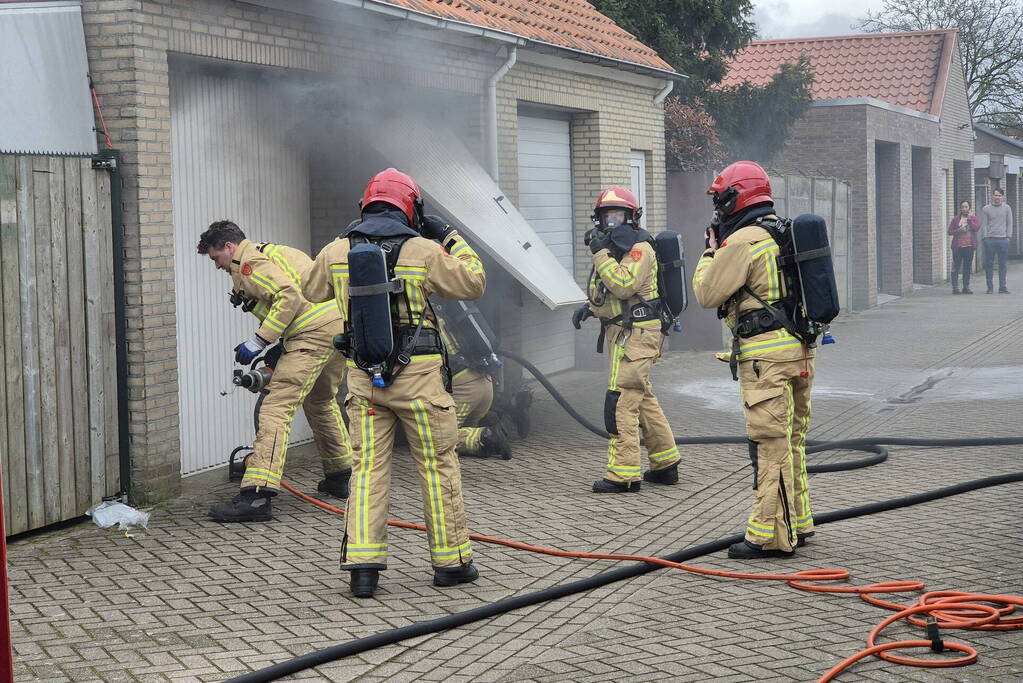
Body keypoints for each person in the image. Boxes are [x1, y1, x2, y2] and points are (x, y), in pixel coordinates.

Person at [305, 168, 485, 598]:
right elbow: (474, 281)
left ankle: (363, 569)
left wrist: (341, 244)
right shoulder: (424, 249)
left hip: (364, 380)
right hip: (420, 378)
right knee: (437, 467)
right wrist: (449, 234)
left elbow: (312, 292)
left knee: (367, 470)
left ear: (364, 206)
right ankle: (451, 564)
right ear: (411, 208)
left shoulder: (335, 251)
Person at [691, 161, 814, 559]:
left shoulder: (743, 240)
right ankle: (800, 521)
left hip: (764, 359)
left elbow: (707, 294)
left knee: (768, 445)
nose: (718, 208)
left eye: (720, 199)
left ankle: (770, 538)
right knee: (792, 441)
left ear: (736, 197)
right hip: (799, 351)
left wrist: (709, 253)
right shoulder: (781, 231)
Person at [198, 221, 352, 523]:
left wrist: (259, 340)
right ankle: (341, 474)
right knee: (319, 401)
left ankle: (257, 495)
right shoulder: (272, 252)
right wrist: (279, 345)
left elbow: (289, 297)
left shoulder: (250, 261)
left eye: (216, 258)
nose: (217, 266)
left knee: (276, 407)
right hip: (335, 326)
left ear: (229, 247)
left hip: (313, 331)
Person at [571, 186, 681, 493]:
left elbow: (622, 284)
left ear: (632, 217)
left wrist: (600, 252)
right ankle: (666, 463)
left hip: (638, 334)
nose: (612, 223)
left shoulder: (639, 248)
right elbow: (610, 294)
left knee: (620, 400)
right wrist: (591, 309)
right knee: (641, 397)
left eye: (618, 215)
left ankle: (624, 474)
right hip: (623, 331)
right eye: (607, 216)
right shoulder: (613, 249)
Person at [436, 313, 512, 459]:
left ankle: (486, 436)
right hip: (485, 382)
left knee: (439, 438)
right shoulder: (445, 316)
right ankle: (488, 422)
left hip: (465, 389)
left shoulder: (423, 324)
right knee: (465, 429)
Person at [980, 188, 1013, 294]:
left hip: (1003, 240)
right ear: (992, 196)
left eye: (999, 195)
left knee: (1002, 264)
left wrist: (1008, 237)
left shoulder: (1007, 208)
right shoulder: (986, 209)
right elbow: (984, 224)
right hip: (990, 240)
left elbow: (1009, 223)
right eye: (995, 195)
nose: (997, 197)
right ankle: (990, 287)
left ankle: (1002, 287)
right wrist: (985, 238)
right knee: (989, 264)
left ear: (1002, 197)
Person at [948, 200, 980, 295]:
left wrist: (969, 220)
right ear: (960, 209)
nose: (964, 209)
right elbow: (950, 231)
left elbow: (976, 228)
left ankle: (966, 287)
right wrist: (958, 230)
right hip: (957, 247)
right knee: (956, 267)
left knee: (967, 267)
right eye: (962, 207)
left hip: (969, 246)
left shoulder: (974, 218)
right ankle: (955, 288)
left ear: (969, 208)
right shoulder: (956, 219)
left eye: (966, 207)